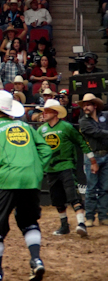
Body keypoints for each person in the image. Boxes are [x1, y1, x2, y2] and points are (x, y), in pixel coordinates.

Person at [0, 90, 51, 281]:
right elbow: (45, 149)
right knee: (28, 221)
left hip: (5, 180)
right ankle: (36, 260)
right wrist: (35, 169)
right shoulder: (26, 126)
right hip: (30, 180)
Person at [37, 99, 94, 237]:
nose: (44, 114)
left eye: (47, 111)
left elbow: (81, 141)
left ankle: (81, 223)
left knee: (72, 195)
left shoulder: (66, 127)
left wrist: (92, 159)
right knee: (57, 199)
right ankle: (64, 225)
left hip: (66, 166)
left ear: (55, 113)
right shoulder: (41, 130)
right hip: (51, 169)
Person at [77, 93, 108, 227]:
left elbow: (99, 132)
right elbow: (96, 132)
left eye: (88, 104)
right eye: (84, 105)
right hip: (92, 156)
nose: (86, 107)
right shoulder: (83, 121)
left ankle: (102, 215)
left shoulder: (105, 116)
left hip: (105, 154)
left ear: (95, 106)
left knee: (105, 188)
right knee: (91, 188)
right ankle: (89, 217)